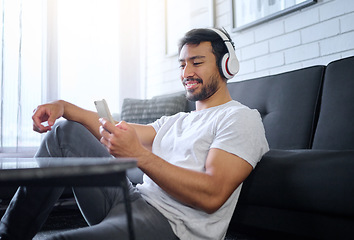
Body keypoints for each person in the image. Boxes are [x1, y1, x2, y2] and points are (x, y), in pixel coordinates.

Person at [0, 28, 269, 240]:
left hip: (171, 225)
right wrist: (64, 107)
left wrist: (139, 156)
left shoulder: (240, 118)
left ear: (226, 65)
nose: (186, 72)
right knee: (65, 130)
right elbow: (117, 130)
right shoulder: (176, 120)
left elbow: (212, 195)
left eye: (196, 62)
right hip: (132, 198)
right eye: (182, 64)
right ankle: (8, 234)